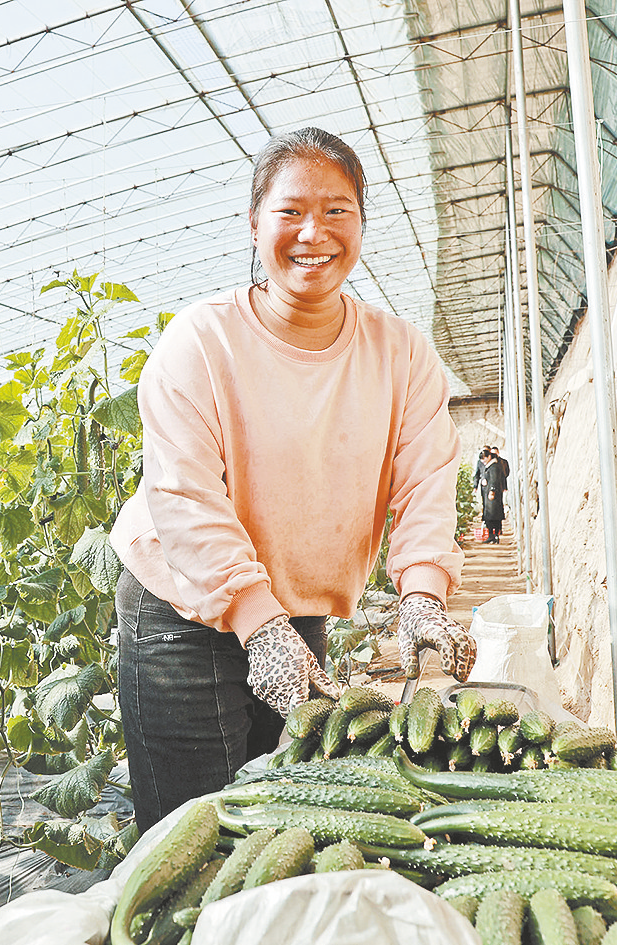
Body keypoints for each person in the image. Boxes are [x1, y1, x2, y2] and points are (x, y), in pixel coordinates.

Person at [108, 127, 475, 831]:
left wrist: (423, 595)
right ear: (254, 224)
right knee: (195, 828)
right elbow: (184, 494)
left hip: (295, 605)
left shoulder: (400, 352)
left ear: (360, 223)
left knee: (277, 814)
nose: (314, 232)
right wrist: (257, 621)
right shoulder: (201, 340)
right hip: (182, 608)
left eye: (337, 210)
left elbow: (427, 477)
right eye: (291, 211)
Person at [475, 447, 507, 543]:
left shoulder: (494, 467)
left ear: (489, 457)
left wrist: (492, 491)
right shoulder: (490, 465)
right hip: (488, 493)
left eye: (484, 459)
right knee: (492, 515)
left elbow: (494, 480)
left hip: (492, 494)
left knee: (491, 515)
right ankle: (493, 535)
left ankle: (493, 535)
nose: (483, 462)